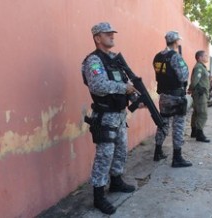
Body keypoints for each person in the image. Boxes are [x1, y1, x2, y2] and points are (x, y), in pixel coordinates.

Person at [81, 22, 139, 215]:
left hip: (119, 115)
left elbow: (125, 81)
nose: (112, 36)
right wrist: (124, 88)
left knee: (121, 150)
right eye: (107, 34)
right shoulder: (94, 61)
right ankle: (98, 196)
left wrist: (135, 97)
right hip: (105, 116)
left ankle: (116, 182)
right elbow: (97, 85)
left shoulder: (114, 59)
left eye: (112, 33)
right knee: (104, 155)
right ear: (97, 38)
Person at [152, 31, 192, 168]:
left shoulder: (157, 56)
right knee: (178, 125)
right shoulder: (175, 57)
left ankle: (157, 151)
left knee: (163, 123)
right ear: (176, 42)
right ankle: (177, 157)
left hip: (163, 95)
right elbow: (183, 76)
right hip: (176, 96)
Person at [188, 50, 210, 143]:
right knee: (202, 113)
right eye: (205, 55)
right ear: (200, 57)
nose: (207, 57)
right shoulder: (199, 67)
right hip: (200, 94)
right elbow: (194, 81)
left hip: (199, 93)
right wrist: (191, 88)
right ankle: (199, 134)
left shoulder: (201, 67)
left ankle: (194, 131)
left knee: (196, 112)